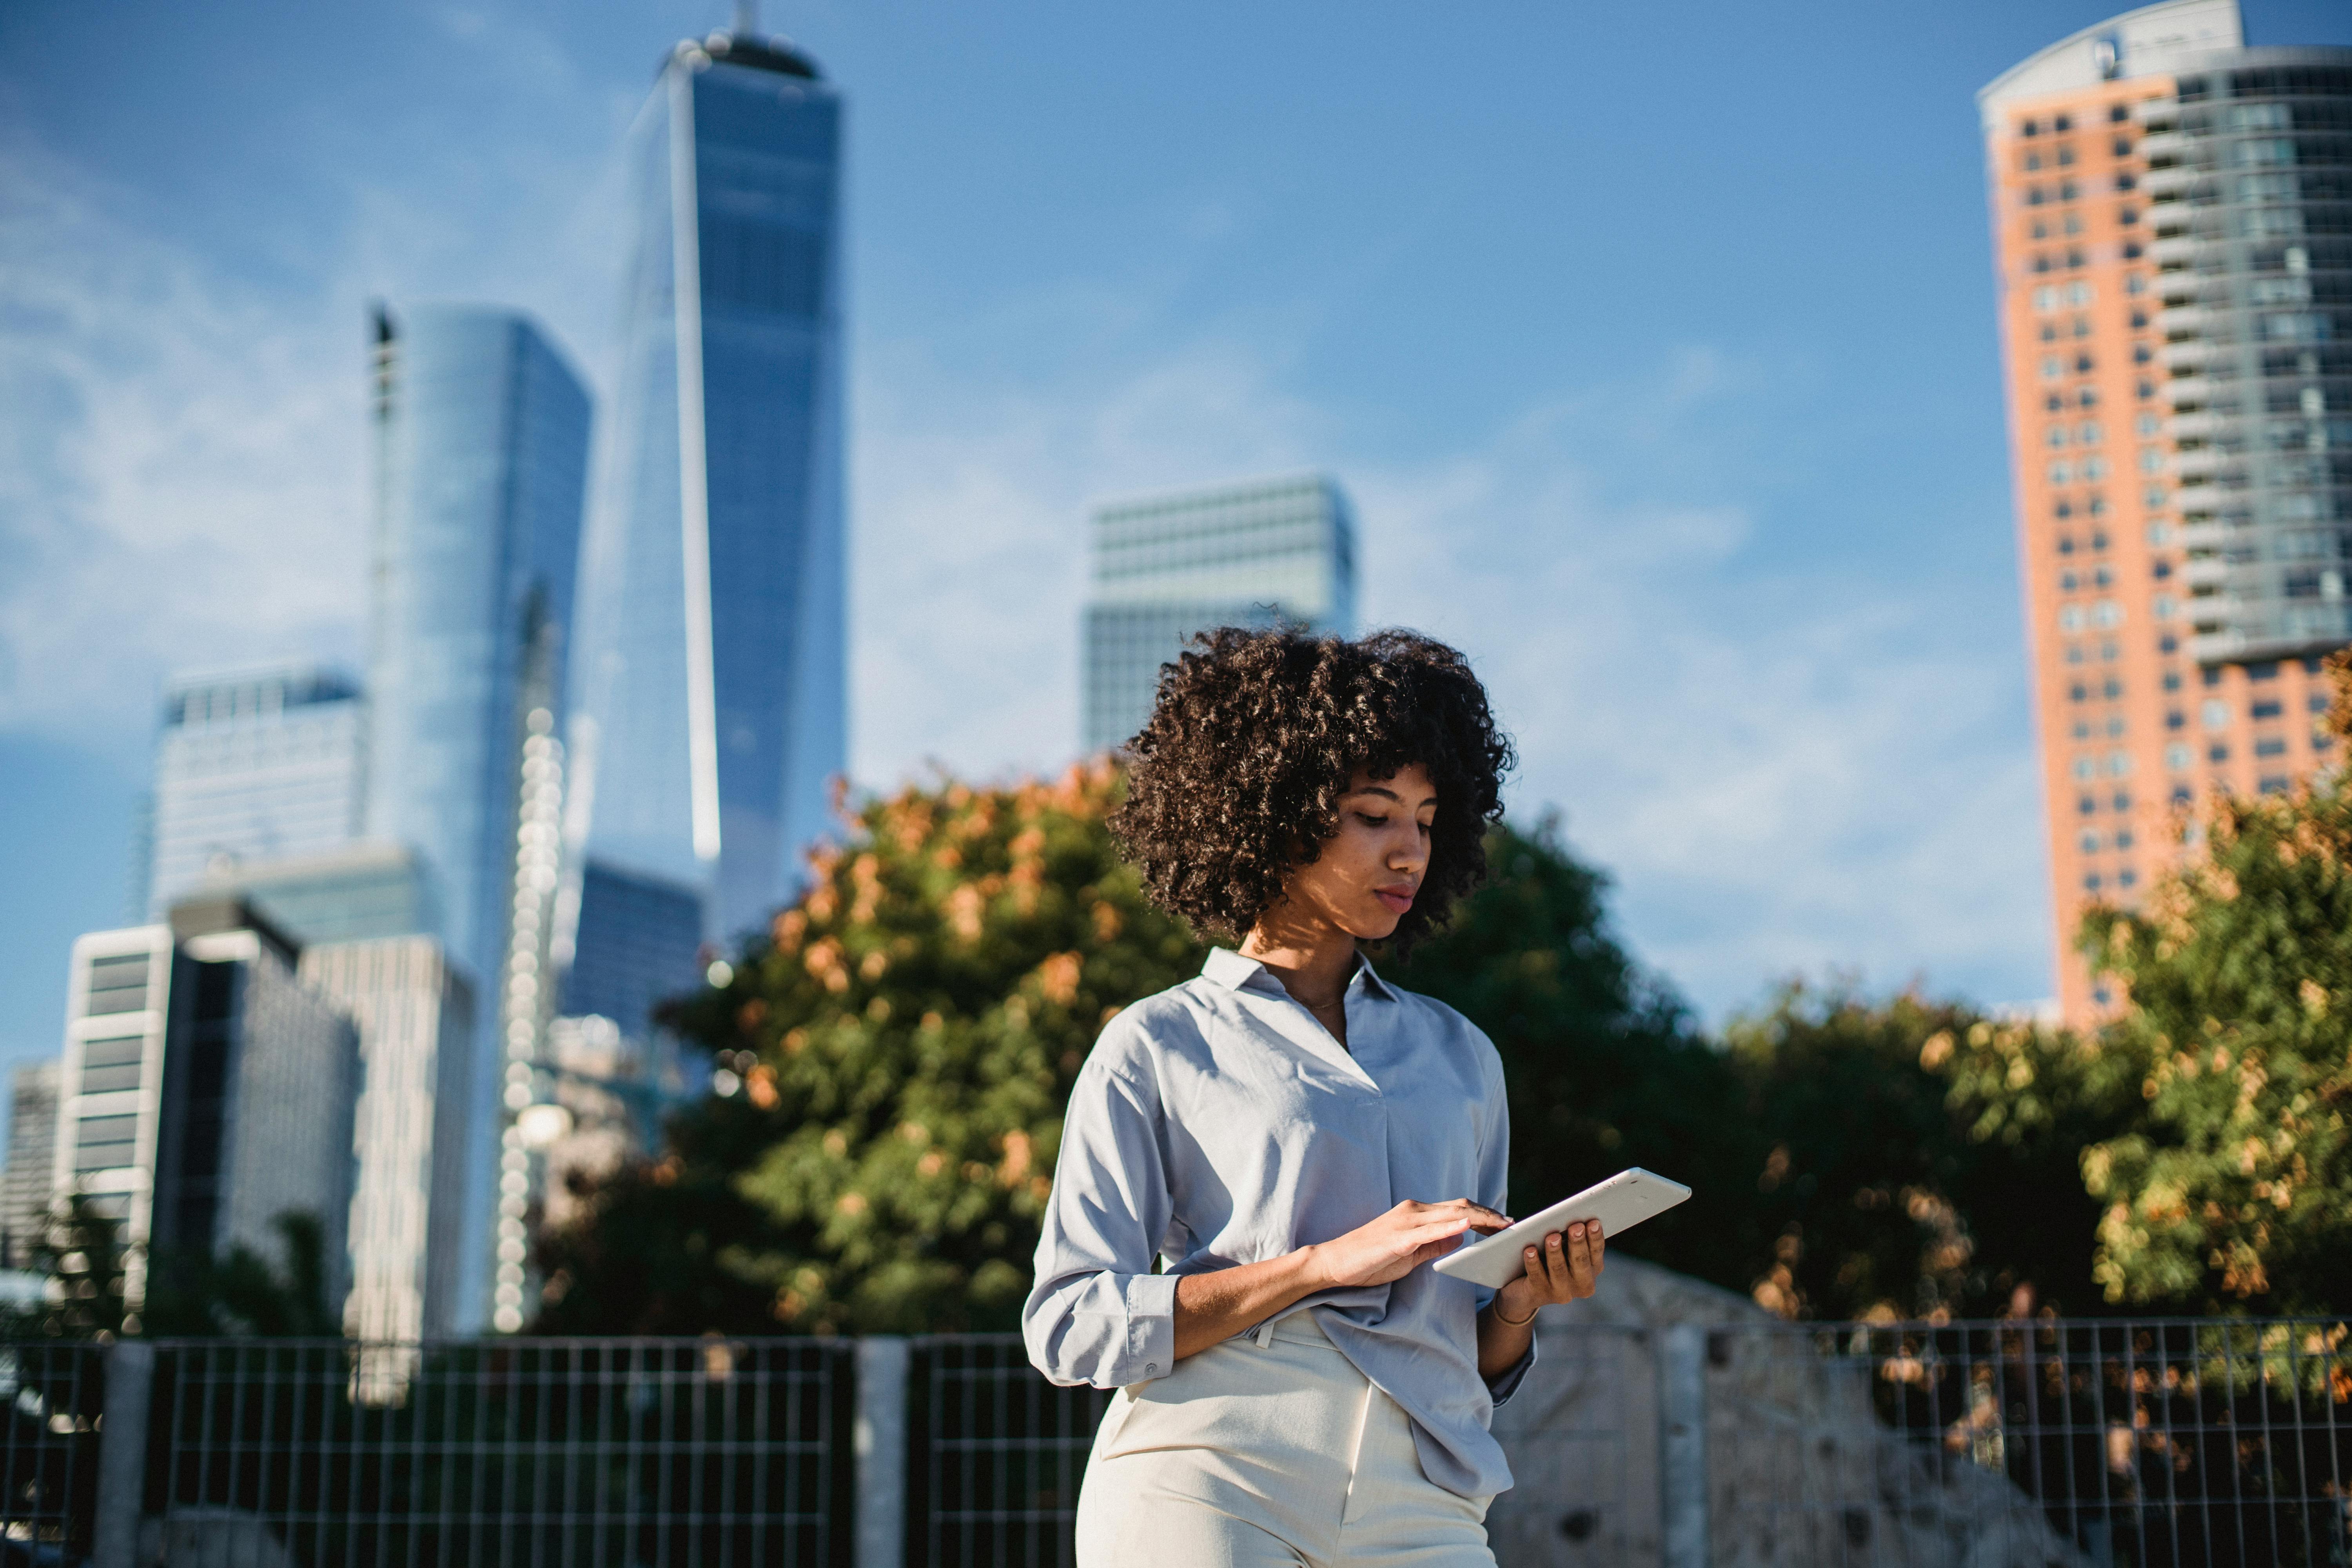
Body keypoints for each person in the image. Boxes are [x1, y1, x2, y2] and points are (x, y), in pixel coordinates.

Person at [1023, 626, 1607, 1568]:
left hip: (1425, 1492)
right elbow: (1071, 1323)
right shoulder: (1157, 1042)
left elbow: (1469, 1345)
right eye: (1376, 814)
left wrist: (1521, 1304)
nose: (1409, 850)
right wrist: (1320, 1265)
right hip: (1209, 1469)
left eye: (1426, 819)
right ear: (1279, 813)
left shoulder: (1463, 1055)